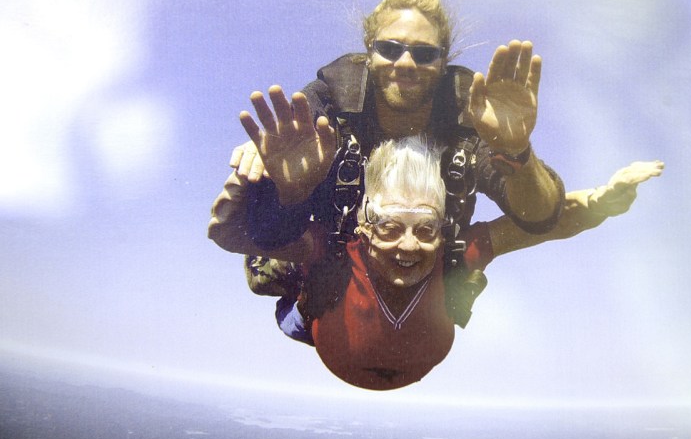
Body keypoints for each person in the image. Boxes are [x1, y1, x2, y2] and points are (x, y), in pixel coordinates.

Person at [209, 0, 565, 313]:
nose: (406, 64)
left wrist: (517, 151)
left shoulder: (467, 115)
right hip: (338, 245)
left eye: (425, 54)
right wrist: (283, 185)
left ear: (444, 63)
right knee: (269, 273)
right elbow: (276, 198)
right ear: (368, 52)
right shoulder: (334, 97)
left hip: (417, 255)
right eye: (390, 49)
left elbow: (540, 215)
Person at [212, 134, 663, 390]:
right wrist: (246, 186)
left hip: (351, 339)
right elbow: (230, 233)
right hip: (313, 315)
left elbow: (555, 222)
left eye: (426, 229)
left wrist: (604, 200)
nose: (407, 246)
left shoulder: (456, 252)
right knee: (279, 277)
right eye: (388, 227)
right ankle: (287, 280)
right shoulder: (335, 249)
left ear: (444, 227)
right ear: (364, 226)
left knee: (459, 271)